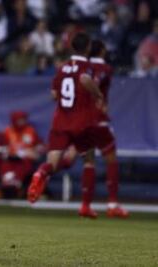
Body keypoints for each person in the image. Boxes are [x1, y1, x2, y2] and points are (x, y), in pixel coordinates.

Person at [27, 33, 103, 205]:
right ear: (88, 47)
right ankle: (86, 206)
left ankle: (40, 173)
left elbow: (54, 94)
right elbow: (84, 79)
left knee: (52, 164)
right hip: (81, 122)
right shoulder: (87, 66)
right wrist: (97, 94)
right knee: (89, 161)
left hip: (60, 121)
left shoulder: (63, 68)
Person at [59, 40, 129, 218]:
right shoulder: (104, 69)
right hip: (98, 121)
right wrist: (99, 99)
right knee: (111, 159)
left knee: (88, 162)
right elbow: (92, 82)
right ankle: (112, 203)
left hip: (82, 121)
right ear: (103, 51)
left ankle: (85, 205)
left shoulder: (82, 66)